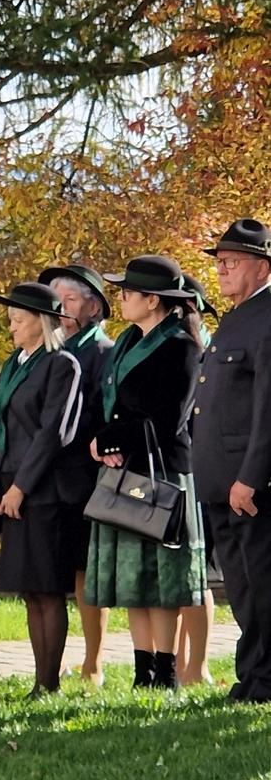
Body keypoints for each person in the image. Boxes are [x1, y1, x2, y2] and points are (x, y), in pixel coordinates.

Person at [85, 255, 206, 690]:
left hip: (162, 472)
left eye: (127, 292)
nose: (120, 298)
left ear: (153, 300)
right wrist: (103, 443)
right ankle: (142, 673)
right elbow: (109, 405)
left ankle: (166, 673)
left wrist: (111, 440)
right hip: (124, 468)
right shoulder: (126, 341)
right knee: (133, 577)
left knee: (162, 578)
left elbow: (168, 417)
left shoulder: (181, 347)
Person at [0, 282, 83, 696]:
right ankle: (38, 682)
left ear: (41, 323)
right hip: (8, 487)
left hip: (43, 491)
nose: (11, 328)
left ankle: (49, 682)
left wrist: (21, 487)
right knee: (28, 588)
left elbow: (52, 432)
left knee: (48, 587)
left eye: (18, 321)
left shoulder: (62, 365)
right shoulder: (13, 364)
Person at [192, 219, 271, 703]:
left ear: (262, 268)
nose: (221, 270)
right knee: (242, 588)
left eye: (231, 262)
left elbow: (268, 410)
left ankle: (267, 680)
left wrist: (251, 477)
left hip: (249, 483)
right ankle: (254, 677)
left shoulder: (267, 318)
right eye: (219, 263)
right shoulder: (234, 318)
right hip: (221, 480)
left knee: (262, 584)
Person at [38, 263, 113, 685]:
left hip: (84, 476)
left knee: (87, 572)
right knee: (52, 574)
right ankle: (57, 658)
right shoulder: (47, 351)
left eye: (69, 300)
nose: (61, 308)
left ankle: (93, 662)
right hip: (47, 477)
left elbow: (102, 414)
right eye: (57, 300)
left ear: (93, 308)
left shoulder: (102, 352)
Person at [175, 273, 218, 686]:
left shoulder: (203, 350)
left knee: (196, 574)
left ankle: (198, 665)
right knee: (176, 575)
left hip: (198, 471)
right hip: (178, 471)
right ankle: (177, 661)